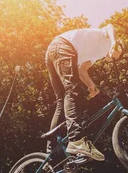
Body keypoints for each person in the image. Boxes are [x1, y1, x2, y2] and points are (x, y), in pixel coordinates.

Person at [45, 24, 123, 159]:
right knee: (73, 90)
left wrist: (91, 85)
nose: (114, 59)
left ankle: (50, 154)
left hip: (54, 51)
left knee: (62, 101)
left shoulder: (97, 56)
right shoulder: (107, 39)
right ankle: (76, 140)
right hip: (63, 46)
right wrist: (114, 42)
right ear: (119, 47)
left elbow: (82, 69)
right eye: (117, 55)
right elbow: (111, 26)